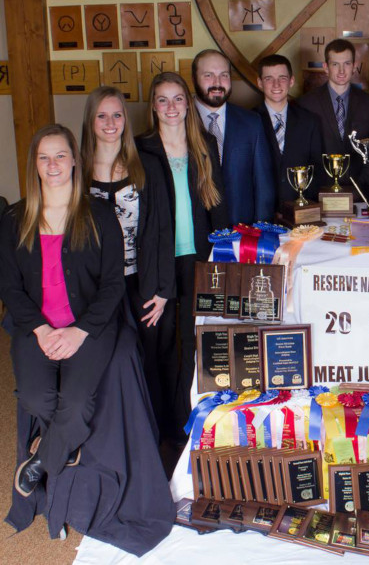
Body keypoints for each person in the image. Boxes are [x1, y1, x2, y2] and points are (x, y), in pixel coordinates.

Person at [0, 124, 124, 496]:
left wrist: (78, 331)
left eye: (60, 155)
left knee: (75, 399)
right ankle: (66, 445)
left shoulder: (99, 214)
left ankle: (43, 459)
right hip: (33, 327)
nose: (52, 164)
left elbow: (113, 284)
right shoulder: (14, 219)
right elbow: (9, 286)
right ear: (34, 165)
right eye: (44, 157)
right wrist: (41, 330)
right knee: (35, 397)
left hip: (89, 327)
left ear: (74, 161)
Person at [136, 72, 229, 442]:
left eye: (178, 99)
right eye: (163, 99)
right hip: (158, 260)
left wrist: (224, 254)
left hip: (199, 258)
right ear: (153, 106)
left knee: (194, 342)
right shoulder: (141, 148)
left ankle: (189, 420)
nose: (171, 107)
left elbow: (217, 204)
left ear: (188, 104)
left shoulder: (203, 143)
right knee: (160, 342)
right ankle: (160, 425)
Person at [81, 86, 175, 438]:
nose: (110, 123)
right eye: (101, 116)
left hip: (143, 283)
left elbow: (164, 228)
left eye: (117, 115)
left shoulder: (146, 165)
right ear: (90, 121)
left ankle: (152, 437)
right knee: (102, 360)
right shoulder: (76, 171)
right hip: (95, 286)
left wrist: (163, 290)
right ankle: (108, 437)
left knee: (148, 359)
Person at [192, 49, 275, 225]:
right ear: (194, 79)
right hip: (194, 235)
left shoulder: (251, 122)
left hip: (241, 232)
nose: (217, 83)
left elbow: (263, 186)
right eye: (208, 75)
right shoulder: (179, 121)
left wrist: (259, 233)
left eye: (224, 75)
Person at [298, 39, 369, 184]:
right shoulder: (306, 103)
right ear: (326, 67)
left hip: (359, 190)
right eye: (335, 64)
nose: (341, 71)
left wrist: (360, 187)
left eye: (346, 64)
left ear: (354, 66)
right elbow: (303, 153)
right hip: (319, 192)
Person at [255, 54, 324, 206]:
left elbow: (317, 167)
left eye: (282, 78)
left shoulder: (310, 121)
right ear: (259, 83)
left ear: (291, 81)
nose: (276, 84)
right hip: (261, 211)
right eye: (268, 79)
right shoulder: (249, 121)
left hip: (301, 209)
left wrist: (306, 205)